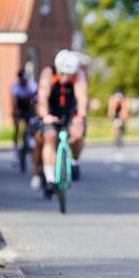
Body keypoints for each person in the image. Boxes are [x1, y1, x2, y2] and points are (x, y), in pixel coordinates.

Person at [35, 50, 88, 194]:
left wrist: (80, 115)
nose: (65, 77)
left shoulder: (79, 75)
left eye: (68, 74)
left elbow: (81, 95)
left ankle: (74, 161)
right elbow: (42, 96)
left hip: (71, 112)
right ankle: (50, 177)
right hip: (52, 112)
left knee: (77, 134)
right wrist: (45, 115)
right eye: (62, 73)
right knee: (50, 136)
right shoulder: (48, 73)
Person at [10, 69, 38, 174]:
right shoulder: (15, 86)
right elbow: (13, 102)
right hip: (20, 108)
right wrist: (15, 115)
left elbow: (36, 102)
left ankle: (30, 140)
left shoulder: (32, 85)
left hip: (30, 109)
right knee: (16, 129)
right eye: (22, 80)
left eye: (25, 80)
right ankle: (15, 153)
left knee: (31, 125)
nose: (24, 82)